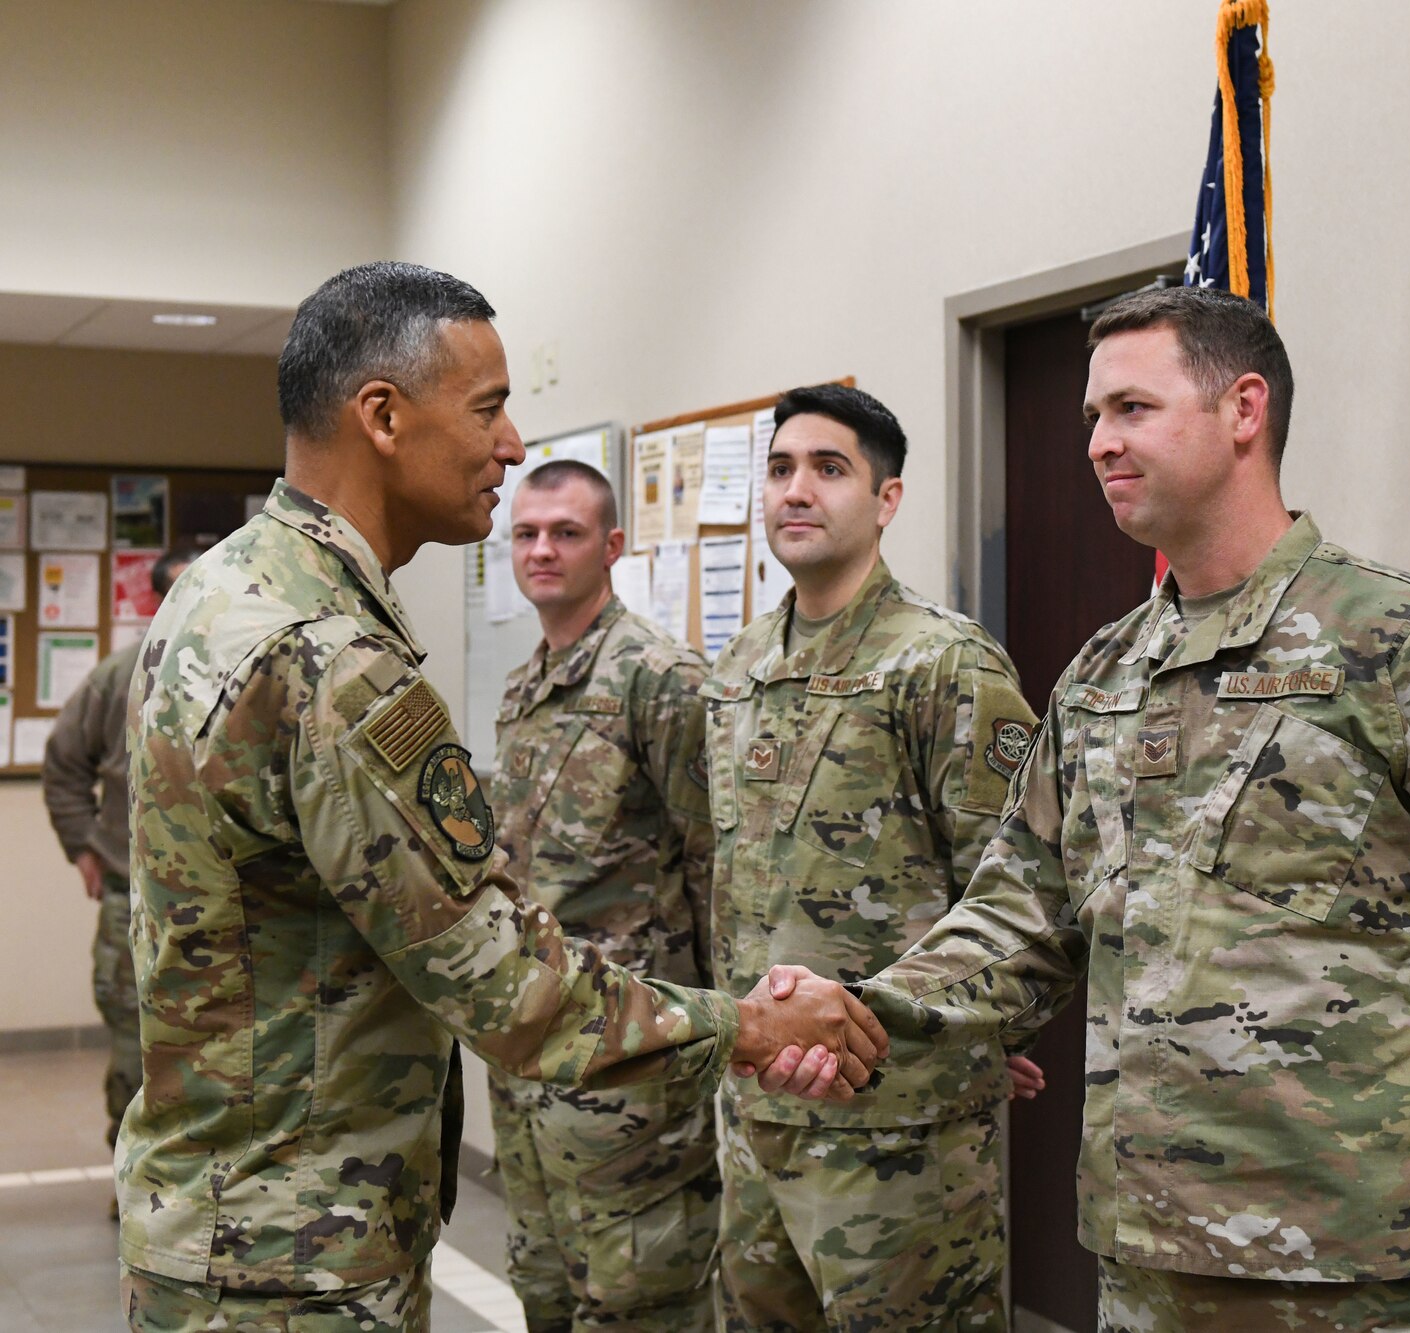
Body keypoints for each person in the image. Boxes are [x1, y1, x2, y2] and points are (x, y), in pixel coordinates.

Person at [769, 289, 1410, 1332]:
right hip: (1146, 1252)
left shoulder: (1408, 641)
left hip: (1352, 1259)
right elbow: (1018, 916)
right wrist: (864, 1012)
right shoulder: (1103, 673)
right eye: (1091, 416)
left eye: (1129, 408)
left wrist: (1409, 1097)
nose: (1096, 442)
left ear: (1242, 409)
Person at [116, 261, 885, 1333]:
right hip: (295, 1253)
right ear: (382, 415)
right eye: (487, 409)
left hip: (219, 1215)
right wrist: (747, 1027)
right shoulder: (334, 659)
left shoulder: (220, 592)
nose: (514, 445)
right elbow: (501, 980)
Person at [701, 383, 1043, 1331]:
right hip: (757, 1116)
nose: (795, 490)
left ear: (886, 500)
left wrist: (980, 1030)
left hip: (898, 1133)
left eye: (828, 468)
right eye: (780, 469)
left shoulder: (943, 665)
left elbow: (1020, 891)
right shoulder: (736, 671)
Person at [489, 458, 720, 1331]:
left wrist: (717, 1036)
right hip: (533, 1049)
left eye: (567, 532)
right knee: (544, 1285)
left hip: (632, 1059)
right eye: (526, 533)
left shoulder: (659, 678)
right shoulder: (525, 687)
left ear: (613, 545)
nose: (542, 550)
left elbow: (713, 861)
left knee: (638, 1302)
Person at [42, 547, 194, 1154]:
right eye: (180, 591)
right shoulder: (119, 676)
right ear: (156, 602)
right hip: (130, 891)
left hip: (220, 897)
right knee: (135, 1046)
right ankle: (129, 1177)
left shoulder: (249, 670)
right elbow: (64, 764)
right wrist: (83, 846)